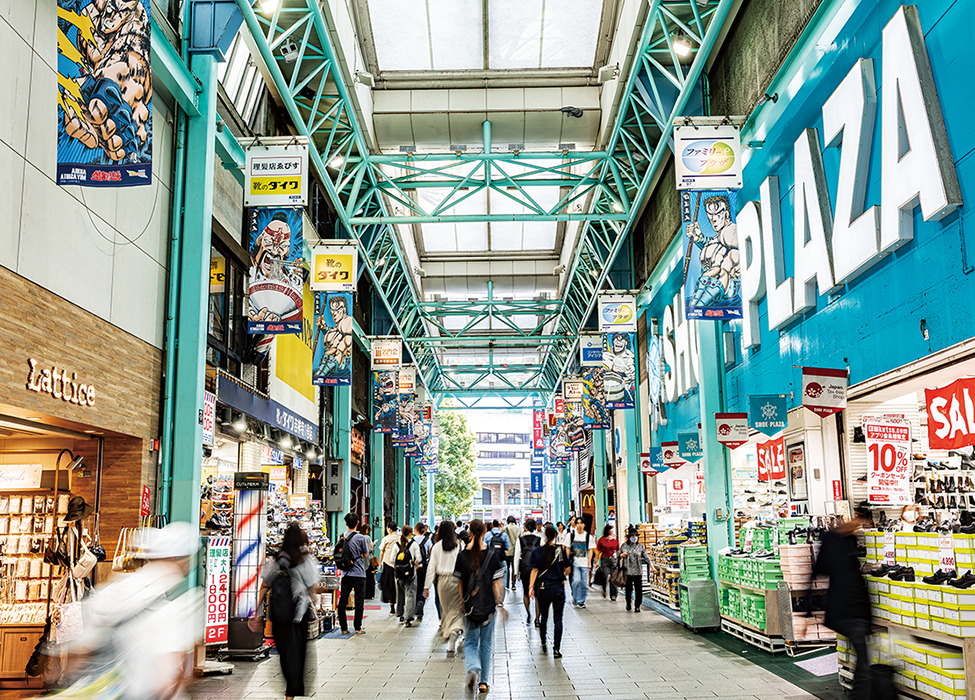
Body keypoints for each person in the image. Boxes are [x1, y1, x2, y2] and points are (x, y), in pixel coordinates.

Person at [61, 523, 202, 700]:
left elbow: (82, 649)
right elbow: (166, 679)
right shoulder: (173, 609)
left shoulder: (114, 589)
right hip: (141, 694)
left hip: (103, 691)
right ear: (181, 560)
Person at [256, 522, 323, 700]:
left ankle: (290, 690)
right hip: (297, 614)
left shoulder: (276, 559)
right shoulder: (305, 559)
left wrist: (256, 613)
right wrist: (314, 604)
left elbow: (264, 585)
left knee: (284, 653)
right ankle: (291, 692)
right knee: (297, 652)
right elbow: (312, 587)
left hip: (278, 615)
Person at [813, 505, 873, 700]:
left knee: (861, 654)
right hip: (852, 607)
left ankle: (859, 692)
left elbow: (821, 568)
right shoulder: (845, 540)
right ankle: (860, 694)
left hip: (841, 606)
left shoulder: (834, 538)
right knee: (863, 656)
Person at [454, 519, 506, 694]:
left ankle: (473, 666)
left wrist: (462, 602)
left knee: (470, 642)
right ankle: (483, 682)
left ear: (469, 533)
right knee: (486, 643)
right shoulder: (492, 555)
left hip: (469, 606)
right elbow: (496, 584)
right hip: (488, 607)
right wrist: (499, 603)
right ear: (485, 532)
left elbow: (460, 583)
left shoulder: (462, 556)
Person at [529, 524, 571, 658]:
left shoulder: (537, 551)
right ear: (556, 535)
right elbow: (568, 567)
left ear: (544, 535)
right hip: (558, 587)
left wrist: (531, 587)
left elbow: (534, 570)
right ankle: (556, 649)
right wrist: (562, 575)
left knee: (544, 616)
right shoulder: (560, 550)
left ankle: (543, 641)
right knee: (558, 619)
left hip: (543, 587)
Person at [427, 520, 465, 653]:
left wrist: (426, 587)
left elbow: (431, 568)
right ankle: (457, 631)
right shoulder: (459, 545)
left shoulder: (436, 547)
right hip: (457, 579)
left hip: (442, 581)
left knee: (446, 610)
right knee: (458, 607)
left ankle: (451, 634)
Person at [336, 513, 370, 634]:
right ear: (357, 523)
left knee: (343, 601)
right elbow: (366, 554)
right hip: (359, 573)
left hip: (346, 573)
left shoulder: (342, 537)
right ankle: (357, 628)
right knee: (359, 601)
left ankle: (344, 628)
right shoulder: (361, 538)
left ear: (346, 524)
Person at [513, 518, 542, 626]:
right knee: (537, 594)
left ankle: (528, 613)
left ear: (525, 527)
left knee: (526, 592)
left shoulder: (520, 539)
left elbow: (517, 556)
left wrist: (516, 571)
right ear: (535, 527)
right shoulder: (539, 539)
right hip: (536, 570)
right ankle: (537, 618)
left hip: (525, 569)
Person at [394, 525, 422, 627]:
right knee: (410, 594)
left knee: (400, 594)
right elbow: (418, 558)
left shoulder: (396, 544)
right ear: (410, 534)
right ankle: (408, 618)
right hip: (410, 573)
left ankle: (400, 614)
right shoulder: (414, 544)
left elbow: (392, 559)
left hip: (398, 573)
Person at [619, 525, 651, 612]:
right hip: (628, 571)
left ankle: (637, 605)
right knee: (628, 589)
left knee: (639, 590)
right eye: (632, 536)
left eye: (635, 536)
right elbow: (618, 555)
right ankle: (628, 603)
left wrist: (652, 567)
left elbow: (646, 557)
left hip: (638, 571)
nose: (634, 537)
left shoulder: (640, 546)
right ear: (629, 537)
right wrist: (621, 555)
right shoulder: (624, 546)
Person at [568, 518, 595, 607]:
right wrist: (568, 561)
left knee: (584, 583)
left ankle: (581, 601)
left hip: (585, 563)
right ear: (575, 525)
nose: (579, 525)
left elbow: (590, 550)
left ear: (584, 525)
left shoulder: (588, 536)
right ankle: (575, 598)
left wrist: (589, 562)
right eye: (578, 523)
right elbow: (567, 548)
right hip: (575, 563)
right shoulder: (571, 535)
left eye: (581, 523)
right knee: (576, 581)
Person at [413, 522, 433, 620]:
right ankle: (421, 602)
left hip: (413, 567)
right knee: (422, 586)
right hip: (423, 567)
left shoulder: (411, 540)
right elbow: (430, 553)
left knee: (413, 587)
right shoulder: (427, 540)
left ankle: (414, 606)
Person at [378, 522, 399, 615]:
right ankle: (400, 605)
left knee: (388, 585)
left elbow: (382, 551)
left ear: (389, 529)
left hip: (387, 563)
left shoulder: (386, 539)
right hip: (398, 564)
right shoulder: (400, 538)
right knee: (398, 585)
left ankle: (392, 607)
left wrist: (380, 562)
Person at [483, 520, 511, 588]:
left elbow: (484, 546)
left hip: (490, 559)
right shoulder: (504, 535)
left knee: (490, 575)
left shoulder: (487, 534)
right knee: (504, 574)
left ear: (492, 526)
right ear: (499, 526)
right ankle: (502, 591)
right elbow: (508, 548)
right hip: (501, 558)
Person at [596, 524, 620, 601]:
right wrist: (596, 560)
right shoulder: (601, 540)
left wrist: (619, 558)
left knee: (613, 577)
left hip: (613, 559)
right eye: (611, 529)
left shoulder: (614, 539)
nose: (612, 531)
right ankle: (604, 588)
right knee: (605, 575)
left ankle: (613, 594)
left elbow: (618, 549)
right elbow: (598, 550)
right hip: (604, 559)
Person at [358, 522, 376, 600]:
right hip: (367, 560)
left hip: (360, 560)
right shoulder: (367, 538)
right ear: (366, 530)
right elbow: (369, 548)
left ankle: (363, 593)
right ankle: (369, 594)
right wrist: (373, 545)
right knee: (370, 578)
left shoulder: (358, 536)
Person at [503, 516, 522, 590]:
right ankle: (513, 584)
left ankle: (507, 584)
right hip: (515, 551)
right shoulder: (518, 529)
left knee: (507, 568)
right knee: (514, 568)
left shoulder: (505, 528)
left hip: (507, 551)